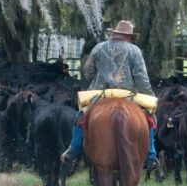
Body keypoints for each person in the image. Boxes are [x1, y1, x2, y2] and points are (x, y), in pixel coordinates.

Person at [62, 20, 157, 170]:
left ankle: (73, 151)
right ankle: (151, 156)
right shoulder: (134, 50)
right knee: (149, 119)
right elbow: (141, 78)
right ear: (129, 37)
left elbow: (88, 71)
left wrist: (99, 76)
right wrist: (150, 98)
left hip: (101, 93)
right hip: (128, 95)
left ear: (114, 33)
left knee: (80, 117)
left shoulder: (99, 47)